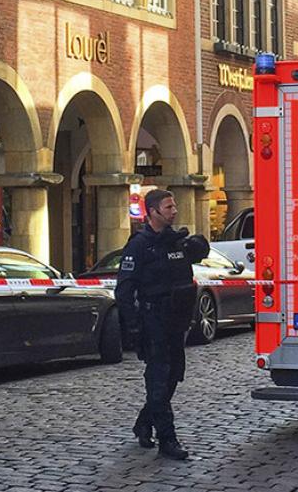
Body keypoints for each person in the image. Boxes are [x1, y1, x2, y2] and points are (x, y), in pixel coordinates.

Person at [115, 189, 209, 460]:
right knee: (158, 379)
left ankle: (144, 422)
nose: (174, 210)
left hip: (177, 320)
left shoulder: (175, 241)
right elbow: (124, 289)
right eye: (168, 207)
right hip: (153, 319)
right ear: (153, 212)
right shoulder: (139, 245)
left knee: (172, 375)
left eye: (174, 205)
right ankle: (167, 439)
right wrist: (132, 325)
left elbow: (197, 254)